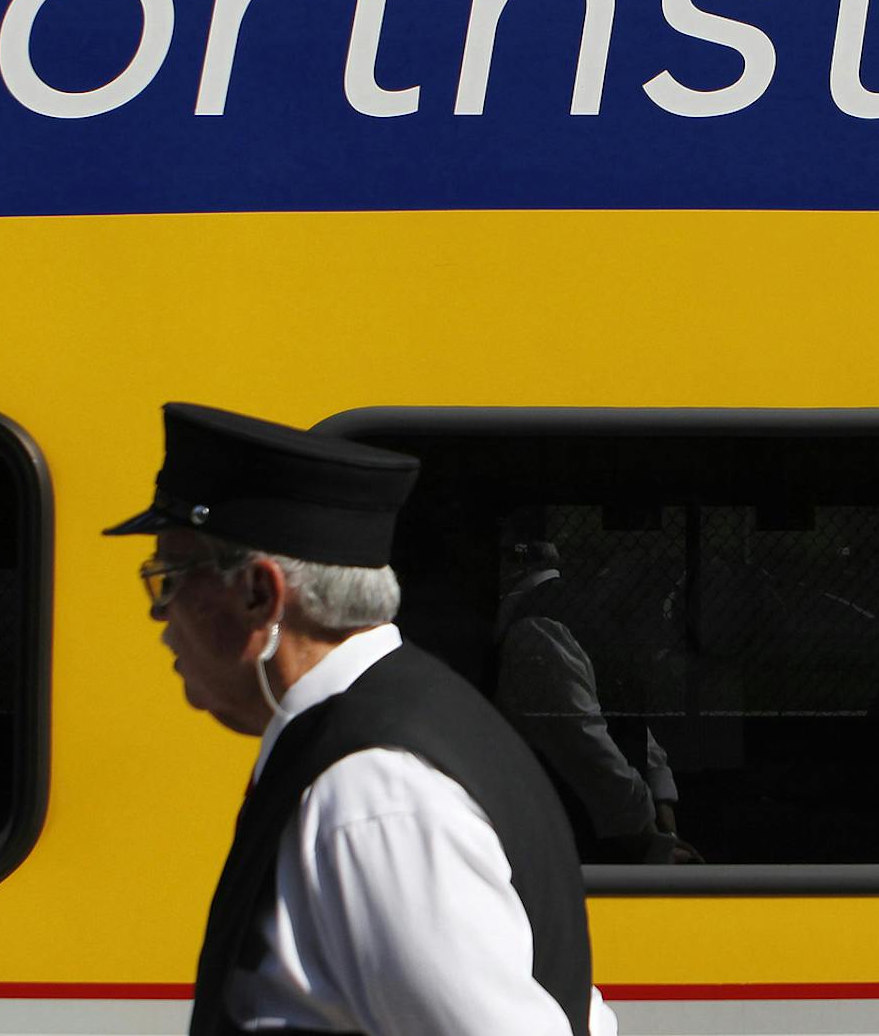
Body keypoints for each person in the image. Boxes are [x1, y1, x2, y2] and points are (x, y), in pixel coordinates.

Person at [104, 403, 615, 1036]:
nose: (161, 617)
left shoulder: (371, 789)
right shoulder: (421, 719)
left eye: (169, 579)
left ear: (260, 594)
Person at [492, 541, 699, 863]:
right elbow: (625, 722)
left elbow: (581, 737)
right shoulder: (588, 613)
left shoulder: (538, 625)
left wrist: (646, 833)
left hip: (579, 832)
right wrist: (662, 816)